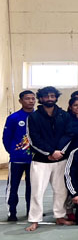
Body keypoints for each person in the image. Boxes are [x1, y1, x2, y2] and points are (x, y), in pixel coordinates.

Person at [25, 86, 73, 231]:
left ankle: (60, 216)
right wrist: (50, 152)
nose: (50, 98)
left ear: (56, 97)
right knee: (37, 191)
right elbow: (33, 139)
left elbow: (69, 134)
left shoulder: (64, 115)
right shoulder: (33, 117)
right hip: (40, 160)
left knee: (61, 190)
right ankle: (34, 220)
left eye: (52, 96)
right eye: (46, 96)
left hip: (61, 159)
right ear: (41, 98)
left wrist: (59, 152)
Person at [4, 90, 35, 221]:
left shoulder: (38, 116)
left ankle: (31, 211)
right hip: (17, 159)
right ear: (20, 101)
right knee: (13, 187)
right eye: (27, 98)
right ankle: (12, 212)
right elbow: (6, 138)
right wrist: (13, 152)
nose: (31, 101)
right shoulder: (13, 118)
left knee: (32, 187)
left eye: (33, 98)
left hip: (34, 159)